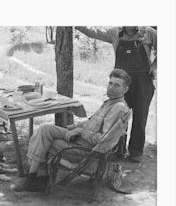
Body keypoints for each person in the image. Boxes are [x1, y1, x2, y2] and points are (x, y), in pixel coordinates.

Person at [13, 68, 131, 192]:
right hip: (80, 138)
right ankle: (37, 178)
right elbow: (91, 122)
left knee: (44, 140)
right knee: (44, 130)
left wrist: (80, 132)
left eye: (117, 85)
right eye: (110, 83)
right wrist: (75, 127)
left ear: (125, 90)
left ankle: (34, 178)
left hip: (86, 148)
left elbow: (103, 140)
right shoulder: (109, 103)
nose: (111, 87)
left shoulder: (118, 108)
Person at [75, 26, 157, 162]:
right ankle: (117, 151)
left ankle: (136, 152)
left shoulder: (148, 33)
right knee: (117, 118)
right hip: (120, 82)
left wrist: (153, 66)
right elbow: (93, 32)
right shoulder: (115, 33)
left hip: (142, 83)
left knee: (140, 117)